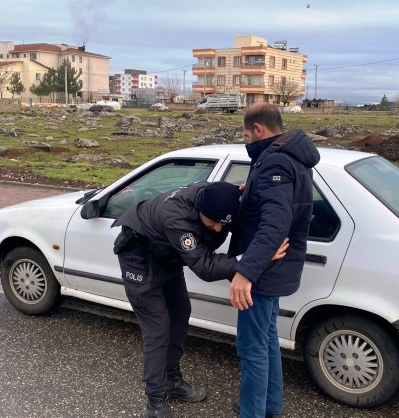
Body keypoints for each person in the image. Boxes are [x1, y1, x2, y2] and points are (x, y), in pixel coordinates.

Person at [112, 181, 287, 418]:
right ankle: (155, 399)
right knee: (158, 329)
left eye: (222, 223)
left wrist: (247, 188)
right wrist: (254, 258)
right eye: (212, 222)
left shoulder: (214, 197)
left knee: (180, 314)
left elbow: (229, 194)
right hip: (140, 258)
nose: (216, 229)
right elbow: (204, 267)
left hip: (167, 256)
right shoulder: (176, 217)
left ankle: (172, 379)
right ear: (199, 210)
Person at [228, 102, 320, 418]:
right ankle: (271, 407)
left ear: (258, 130)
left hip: (264, 274)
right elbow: (280, 204)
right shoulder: (290, 158)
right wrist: (250, 189)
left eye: (245, 134)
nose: (246, 141)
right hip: (277, 268)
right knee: (267, 342)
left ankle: (252, 413)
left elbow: (275, 223)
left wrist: (246, 272)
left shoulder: (274, 164)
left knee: (252, 349)